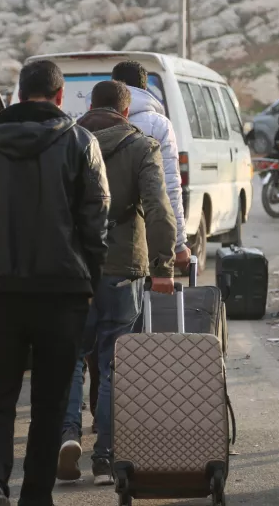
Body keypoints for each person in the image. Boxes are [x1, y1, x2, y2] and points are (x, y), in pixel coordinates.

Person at [0, 60, 110, 506]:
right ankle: (36, 495)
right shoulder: (81, 141)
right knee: (51, 400)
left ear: (18, 95)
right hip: (62, 292)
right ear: (60, 97)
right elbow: (96, 219)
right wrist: (89, 279)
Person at [57, 80, 177, 485]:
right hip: (123, 269)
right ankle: (105, 458)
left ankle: (67, 434)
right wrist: (163, 266)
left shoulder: (67, 141)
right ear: (126, 112)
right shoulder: (142, 146)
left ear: (90, 107)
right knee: (113, 364)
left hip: (74, 268)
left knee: (72, 359)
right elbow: (159, 210)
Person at [111, 61, 191, 270]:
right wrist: (179, 243)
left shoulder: (89, 122)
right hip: (149, 234)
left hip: (103, 238)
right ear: (144, 89)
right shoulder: (159, 124)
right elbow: (171, 186)